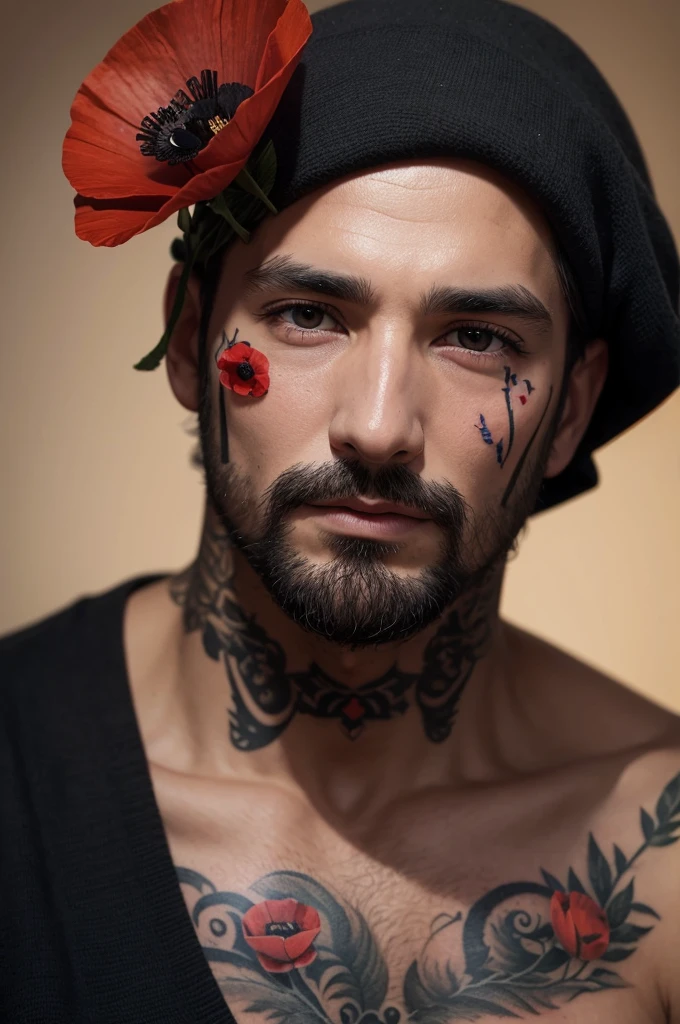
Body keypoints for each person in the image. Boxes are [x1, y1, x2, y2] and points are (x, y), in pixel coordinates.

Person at [1, 0, 679, 1020]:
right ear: (190, 342)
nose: (375, 426)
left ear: (571, 405)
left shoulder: (657, 853)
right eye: (307, 315)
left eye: (477, 337)